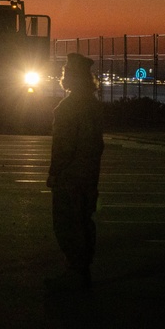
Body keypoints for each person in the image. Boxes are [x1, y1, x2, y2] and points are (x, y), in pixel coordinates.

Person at [46, 52, 104, 291]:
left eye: (67, 73)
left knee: (67, 224)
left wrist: (54, 172)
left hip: (70, 175)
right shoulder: (93, 105)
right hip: (88, 173)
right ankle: (82, 269)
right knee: (83, 221)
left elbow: (63, 146)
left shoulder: (69, 107)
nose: (64, 76)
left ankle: (74, 271)